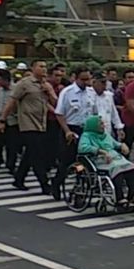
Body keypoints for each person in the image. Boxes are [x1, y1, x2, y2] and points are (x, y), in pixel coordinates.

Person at [0, 59, 53, 195]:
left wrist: (50, 92)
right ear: (33, 68)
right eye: (41, 66)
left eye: (45, 66)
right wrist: (2, 120)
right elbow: (11, 102)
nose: (44, 69)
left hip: (42, 124)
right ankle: (45, 184)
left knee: (30, 154)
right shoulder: (24, 84)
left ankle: (19, 178)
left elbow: (54, 103)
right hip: (28, 124)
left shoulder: (45, 85)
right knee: (37, 155)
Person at [78, 115, 134, 213]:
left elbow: (115, 144)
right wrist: (100, 151)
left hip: (115, 158)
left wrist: (122, 145)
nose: (103, 126)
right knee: (118, 171)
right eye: (100, 124)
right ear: (94, 126)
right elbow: (82, 148)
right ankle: (119, 198)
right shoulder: (86, 136)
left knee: (132, 169)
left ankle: (132, 195)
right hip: (101, 160)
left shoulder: (105, 134)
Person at [53, 65, 93, 199]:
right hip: (70, 128)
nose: (86, 83)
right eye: (83, 80)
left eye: (88, 79)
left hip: (86, 130)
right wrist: (67, 131)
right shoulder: (67, 92)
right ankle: (57, 183)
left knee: (84, 160)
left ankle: (79, 189)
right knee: (67, 160)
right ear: (75, 78)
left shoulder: (90, 92)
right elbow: (59, 113)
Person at [0, 70, 20, 174]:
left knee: (12, 145)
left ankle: (11, 165)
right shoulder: (0, 90)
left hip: (13, 120)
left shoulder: (16, 89)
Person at [89, 71, 124, 139]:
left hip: (107, 131)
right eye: (102, 82)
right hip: (92, 133)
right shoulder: (88, 95)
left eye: (106, 82)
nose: (105, 84)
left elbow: (114, 113)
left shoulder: (109, 95)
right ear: (94, 82)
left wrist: (119, 128)